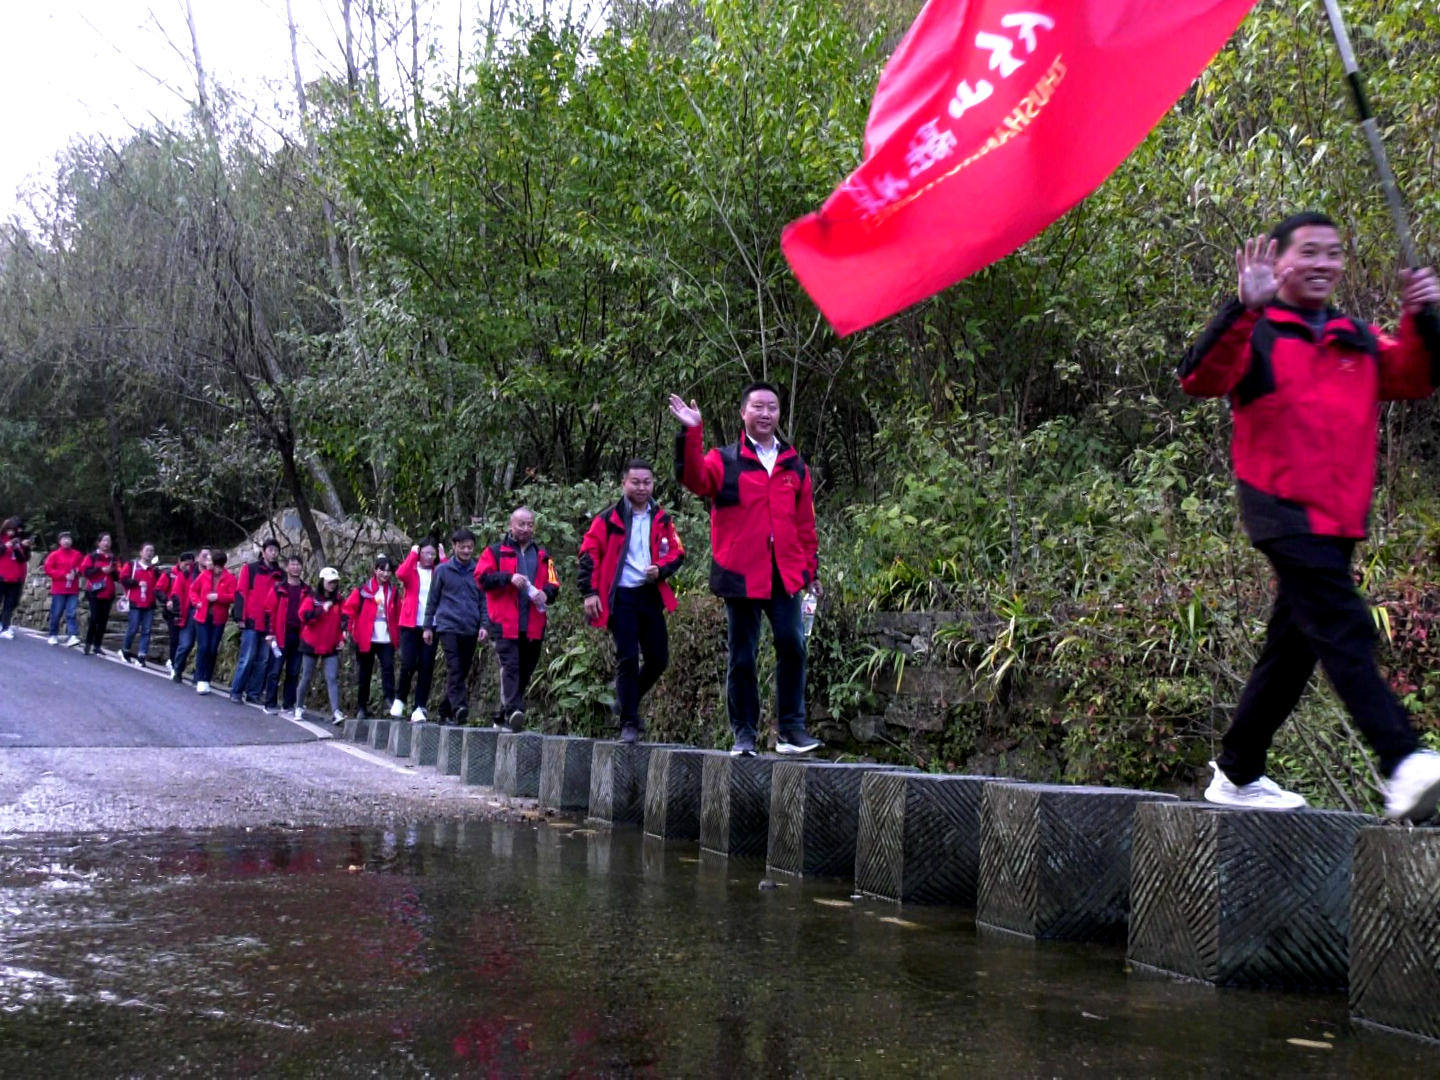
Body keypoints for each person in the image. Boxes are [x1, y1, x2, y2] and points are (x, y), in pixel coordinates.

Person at [1180, 211, 1440, 821]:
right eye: (1310, 252)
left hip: (1338, 516)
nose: (1323, 263)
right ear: (1278, 260)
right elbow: (1198, 376)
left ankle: (1238, 772)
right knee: (1346, 628)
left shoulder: (1353, 335)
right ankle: (1402, 761)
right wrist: (1241, 309)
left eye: (1334, 252)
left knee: (1293, 649)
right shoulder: (1259, 331)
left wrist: (1421, 315)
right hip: (1281, 506)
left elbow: (1415, 377)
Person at [670, 382, 823, 757]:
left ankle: (791, 731)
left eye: (772, 407)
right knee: (742, 655)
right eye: (758, 407)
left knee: (793, 646)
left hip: (783, 573)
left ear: (778, 414)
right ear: (744, 413)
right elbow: (693, 478)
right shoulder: (725, 460)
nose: (766, 414)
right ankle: (744, 734)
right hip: (739, 573)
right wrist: (692, 431)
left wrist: (812, 571)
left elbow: (805, 524)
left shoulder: (794, 465)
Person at [578, 460, 686, 743]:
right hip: (621, 596)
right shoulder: (607, 519)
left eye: (646, 482)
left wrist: (661, 569)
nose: (641, 487)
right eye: (635, 482)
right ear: (624, 483)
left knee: (658, 659)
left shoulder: (662, 518)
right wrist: (590, 593)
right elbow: (588, 555)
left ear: (653, 484)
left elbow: (677, 552)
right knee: (626, 657)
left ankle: (625, 703)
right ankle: (628, 722)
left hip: (649, 594)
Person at [477, 507, 561, 732]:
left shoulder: (544, 556)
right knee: (511, 666)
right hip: (504, 622)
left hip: (533, 623)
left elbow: (554, 584)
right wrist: (508, 578)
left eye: (529, 524)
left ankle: (504, 714)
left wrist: (547, 593)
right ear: (510, 525)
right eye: (521, 524)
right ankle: (516, 711)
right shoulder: (495, 552)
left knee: (525, 669)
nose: (525, 529)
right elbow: (482, 578)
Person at [422, 528, 487, 724]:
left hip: (470, 626)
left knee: (463, 669)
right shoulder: (442, 570)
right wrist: (427, 627)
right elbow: (432, 599)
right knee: (455, 667)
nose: (466, 551)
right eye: (462, 547)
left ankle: (445, 710)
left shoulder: (479, 571)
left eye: (470, 547)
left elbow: (484, 601)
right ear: (454, 547)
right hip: (447, 626)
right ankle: (460, 707)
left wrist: (484, 625)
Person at [343, 554, 400, 720]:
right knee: (365, 673)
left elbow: (399, 612)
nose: (385, 574)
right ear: (375, 570)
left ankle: (390, 702)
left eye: (389, 571)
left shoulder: (394, 592)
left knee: (388, 669)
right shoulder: (363, 591)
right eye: (382, 569)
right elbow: (348, 609)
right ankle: (362, 706)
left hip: (386, 637)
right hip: (366, 636)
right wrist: (347, 628)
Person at [393, 537, 444, 722]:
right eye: (425, 553)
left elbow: (449, 579)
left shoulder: (437, 571)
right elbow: (400, 573)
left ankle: (419, 706)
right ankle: (400, 698)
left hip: (431, 624)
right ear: (419, 553)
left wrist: (444, 558)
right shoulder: (412, 571)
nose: (429, 557)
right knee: (408, 663)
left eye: (432, 554)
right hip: (410, 623)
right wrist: (413, 554)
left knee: (427, 665)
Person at [230, 538, 284, 705]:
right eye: (270, 550)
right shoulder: (251, 569)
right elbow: (241, 592)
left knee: (264, 660)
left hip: (270, 624)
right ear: (263, 551)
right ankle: (236, 691)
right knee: (247, 657)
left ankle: (254, 693)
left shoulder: (280, 575)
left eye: (276, 550)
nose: (273, 553)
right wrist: (240, 616)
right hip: (252, 620)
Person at [292, 566, 347, 725]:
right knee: (306, 676)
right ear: (322, 581)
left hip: (330, 644)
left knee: (332, 677)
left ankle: (336, 711)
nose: (332, 585)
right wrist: (321, 610)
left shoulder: (338, 599)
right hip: (311, 643)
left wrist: (342, 635)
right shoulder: (311, 598)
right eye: (330, 582)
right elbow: (304, 616)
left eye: (335, 582)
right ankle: (299, 706)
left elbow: (343, 618)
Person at [262, 555, 308, 716]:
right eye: (293, 564)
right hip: (280, 635)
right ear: (287, 567)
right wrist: (270, 633)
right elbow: (269, 611)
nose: (296, 567)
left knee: (293, 672)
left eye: (298, 564)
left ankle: (288, 704)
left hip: (299, 636)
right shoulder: (278, 588)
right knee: (275, 670)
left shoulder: (307, 590)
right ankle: (270, 703)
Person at [188, 549, 237, 695]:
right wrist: (197, 603)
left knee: (212, 648)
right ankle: (200, 677)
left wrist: (218, 597)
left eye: (209, 561)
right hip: (202, 616)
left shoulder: (229, 578)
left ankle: (206, 678)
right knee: (203, 646)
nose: (206, 563)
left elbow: (234, 596)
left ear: (217, 565)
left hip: (218, 618)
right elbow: (193, 590)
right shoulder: (204, 575)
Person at [119, 543, 161, 666]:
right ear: (141, 552)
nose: (149, 553)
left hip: (149, 602)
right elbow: (123, 579)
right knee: (133, 628)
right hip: (135, 601)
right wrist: (137, 583)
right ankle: (125, 650)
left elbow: (160, 583)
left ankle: (142, 655)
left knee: (147, 630)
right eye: (147, 550)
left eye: (152, 550)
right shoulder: (132, 565)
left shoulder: (154, 570)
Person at [79, 533, 121, 657]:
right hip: (95, 591)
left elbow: (118, 576)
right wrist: (100, 570)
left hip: (108, 592)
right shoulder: (92, 557)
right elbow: (85, 572)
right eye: (104, 541)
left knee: (103, 620)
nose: (106, 543)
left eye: (108, 541)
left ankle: (97, 645)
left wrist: (113, 571)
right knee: (94, 618)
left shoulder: (114, 558)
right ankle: (88, 643)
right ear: (98, 543)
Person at [166, 551, 203, 682]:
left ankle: (198, 675)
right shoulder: (186, 574)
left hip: (205, 613)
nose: (206, 559)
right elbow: (176, 594)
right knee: (185, 644)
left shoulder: (213, 575)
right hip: (189, 612)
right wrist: (177, 613)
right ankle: (177, 669)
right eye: (203, 555)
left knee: (203, 646)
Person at [43, 531, 85, 646]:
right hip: (59, 589)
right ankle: (52, 634)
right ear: (60, 541)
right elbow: (48, 569)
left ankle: (72, 635)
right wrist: (62, 574)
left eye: (68, 538)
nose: (66, 541)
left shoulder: (77, 554)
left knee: (71, 612)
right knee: (56, 612)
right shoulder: (54, 555)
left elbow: (82, 566)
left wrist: (76, 571)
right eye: (64, 539)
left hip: (73, 589)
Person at [0, 517, 32, 639]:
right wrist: (6, 546)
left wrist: (22, 547)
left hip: (14, 578)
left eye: (13, 531)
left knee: (9, 604)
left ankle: (5, 626)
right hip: (1, 576)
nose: (11, 533)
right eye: (9, 530)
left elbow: (22, 559)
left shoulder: (17, 542)